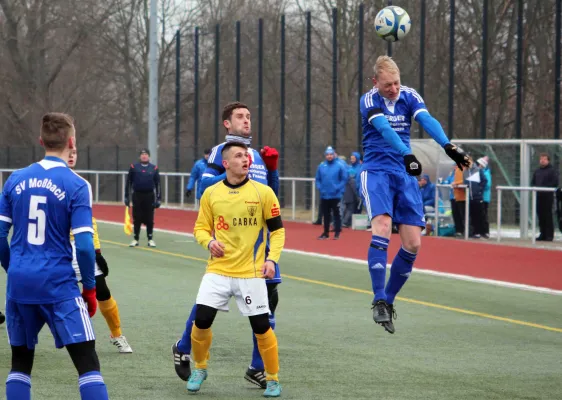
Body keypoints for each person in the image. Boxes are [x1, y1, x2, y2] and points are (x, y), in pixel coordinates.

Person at [172, 102, 281, 389]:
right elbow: (205, 189)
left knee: (268, 307)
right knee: (206, 308)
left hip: (259, 243)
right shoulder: (220, 152)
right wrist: (233, 175)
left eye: (248, 116)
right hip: (228, 246)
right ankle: (185, 346)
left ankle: (258, 368)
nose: (246, 121)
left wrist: (272, 170)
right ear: (227, 124)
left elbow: (272, 195)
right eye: (240, 117)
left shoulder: (255, 154)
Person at [0, 113, 109, 399]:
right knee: (88, 364)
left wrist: (14, 269)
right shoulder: (76, 184)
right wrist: (89, 287)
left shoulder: (14, 180)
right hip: (58, 284)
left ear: (41, 141)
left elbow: (0, 236)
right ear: (71, 142)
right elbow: (85, 245)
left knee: (20, 363)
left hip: (20, 284)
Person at [359, 56, 471, 334]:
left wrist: (448, 146)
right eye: (387, 85)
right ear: (376, 82)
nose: (394, 89)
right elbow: (384, 129)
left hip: (403, 174)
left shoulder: (409, 95)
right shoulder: (368, 100)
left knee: (413, 244)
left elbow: (426, 119)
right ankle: (377, 298)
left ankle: (388, 301)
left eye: (396, 83)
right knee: (383, 226)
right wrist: (407, 153)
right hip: (377, 171)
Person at [68, 149, 133, 353]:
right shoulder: (47, 181)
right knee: (54, 295)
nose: (71, 155)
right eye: (67, 152)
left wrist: (97, 250)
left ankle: (117, 334)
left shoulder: (80, 184)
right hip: (57, 249)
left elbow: (89, 220)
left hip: (80, 246)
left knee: (102, 291)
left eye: (74, 152)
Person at [125, 149, 161, 247]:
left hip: (149, 196)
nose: (144, 156)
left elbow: (158, 184)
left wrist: (158, 198)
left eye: (146, 154)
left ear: (149, 156)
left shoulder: (154, 168)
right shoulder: (134, 167)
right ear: (140, 156)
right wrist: (126, 196)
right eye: (142, 154)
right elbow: (128, 182)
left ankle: (150, 239)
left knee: (149, 218)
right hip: (137, 195)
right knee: (137, 218)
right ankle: (136, 239)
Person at [315, 146, 348, 239]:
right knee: (326, 215)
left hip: (336, 195)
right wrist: (320, 188)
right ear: (325, 155)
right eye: (327, 155)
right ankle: (326, 233)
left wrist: (338, 188)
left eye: (331, 154)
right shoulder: (321, 166)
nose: (329, 156)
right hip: (325, 195)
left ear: (334, 155)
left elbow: (344, 179)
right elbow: (318, 179)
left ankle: (337, 232)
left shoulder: (339, 166)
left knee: (337, 214)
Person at [531, 153, 560, 241]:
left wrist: (545, 188)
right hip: (539, 196)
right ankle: (542, 233)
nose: (542, 161)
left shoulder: (552, 171)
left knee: (547, 215)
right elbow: (533, 182)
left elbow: (555, 182)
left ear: (548, 160)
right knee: (540, 215)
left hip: (548, 196)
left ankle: (549, 235)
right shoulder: (537, 171)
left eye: (544, 159)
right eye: (541, 159)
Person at [465, 161, 488, 239]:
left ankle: (482, 232)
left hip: (477, 197)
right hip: (469, 197)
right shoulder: (466, 171)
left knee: (480, 215)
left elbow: (484, 180)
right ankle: (474, 232)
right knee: (472, 215)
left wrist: (479, 189)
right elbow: (465, 182)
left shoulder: (478, 170)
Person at [477, 157, 492, 239]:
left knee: (484, 214)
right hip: (481, 196)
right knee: (480, 214)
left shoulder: (486, 173)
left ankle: (485, 231)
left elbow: (487, 185)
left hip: (484, 197)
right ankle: (481, 231)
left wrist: (479, 188)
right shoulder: (482, 172)